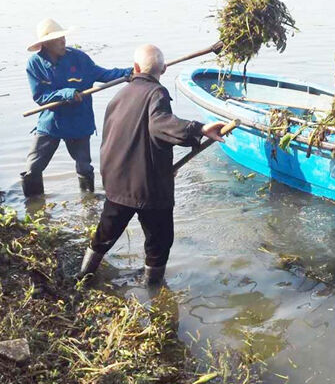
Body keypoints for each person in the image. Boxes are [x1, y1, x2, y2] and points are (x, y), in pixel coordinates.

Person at [79, 43, 226, 284]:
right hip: (149, 189)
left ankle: (83, 277)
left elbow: (122, 139)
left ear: (135, 68)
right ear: (164, 69)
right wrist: (199, 129)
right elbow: (161, 125)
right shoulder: (156, 93)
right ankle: (155, 295)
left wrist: (161, 165)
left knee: (104, 235)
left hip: (116, 183)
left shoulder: (119, 95)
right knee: (159, 244)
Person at [20, 18, 133, 197]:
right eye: (58, 39)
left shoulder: (79, 58)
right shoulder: (35, 64)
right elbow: (40, 97)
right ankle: (33, 204)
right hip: (51, 123)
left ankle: (89, 203)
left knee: (84, 167)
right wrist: (65, 93)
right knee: (32, 168)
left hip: (79, 122)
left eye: (63, 37)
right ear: (46, 43)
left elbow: (104, 74)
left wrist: (129, 73)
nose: (63, 41)